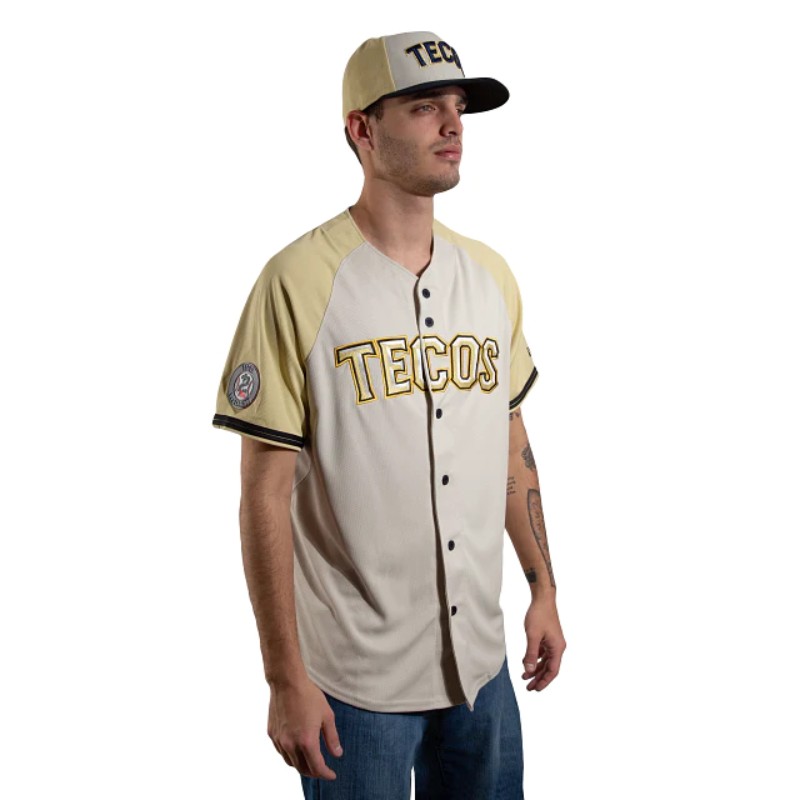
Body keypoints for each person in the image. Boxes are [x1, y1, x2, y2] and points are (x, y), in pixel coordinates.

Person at [212, 30, 566, 799]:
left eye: (459, 106)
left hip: (481, 673)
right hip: (353, 687)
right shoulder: (296, 281)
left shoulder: (491, 276)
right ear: (362, 129)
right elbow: (263, 492)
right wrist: (284, 678)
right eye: (424, 106)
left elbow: (509, 442)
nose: (454, 124)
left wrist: (543, 589)